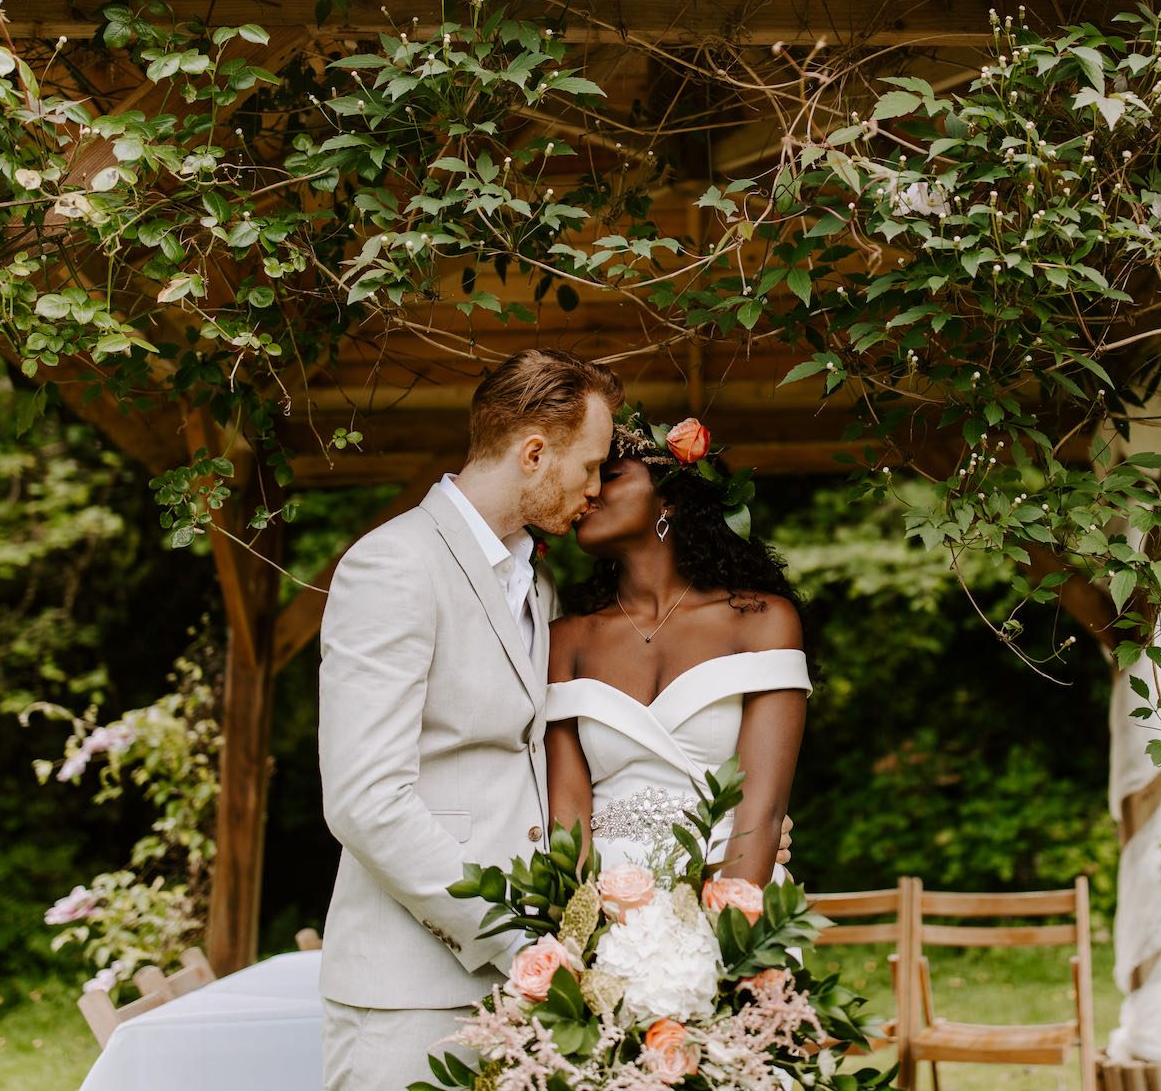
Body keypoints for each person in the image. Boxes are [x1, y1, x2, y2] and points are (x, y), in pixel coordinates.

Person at [316, 348, 622, 1091]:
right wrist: (516, 940)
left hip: (515, 997)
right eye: (589, 465)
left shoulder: (536, 584)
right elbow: (365, 801)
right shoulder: (393, 565)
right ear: (534, 452)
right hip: (409, 994)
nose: (597, 487)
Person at [546, 413, 808, 885]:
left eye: (609, 476)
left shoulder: (761, 622)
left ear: (669, 498)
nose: (589, 492)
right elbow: (567, 820)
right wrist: (581, 931)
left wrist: (727, 936)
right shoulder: (566, 639)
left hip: (732, 894)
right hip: (603, 902)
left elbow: (762, 811)